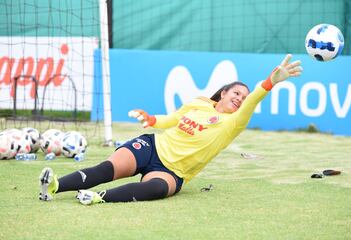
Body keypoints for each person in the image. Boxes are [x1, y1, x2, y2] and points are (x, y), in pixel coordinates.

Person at [39, 54, 302, 205]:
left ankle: (97, 197)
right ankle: (54, 186)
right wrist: (153, 120)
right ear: (223, 92)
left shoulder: (234, 122)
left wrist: (270, 82)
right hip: (152, 147)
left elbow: (255, 96)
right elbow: (174, 119)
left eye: (243, 98)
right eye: (236, 93)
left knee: (154, 190)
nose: (240, 99)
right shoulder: (200, 103)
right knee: (107, 169)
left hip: (172, 172)